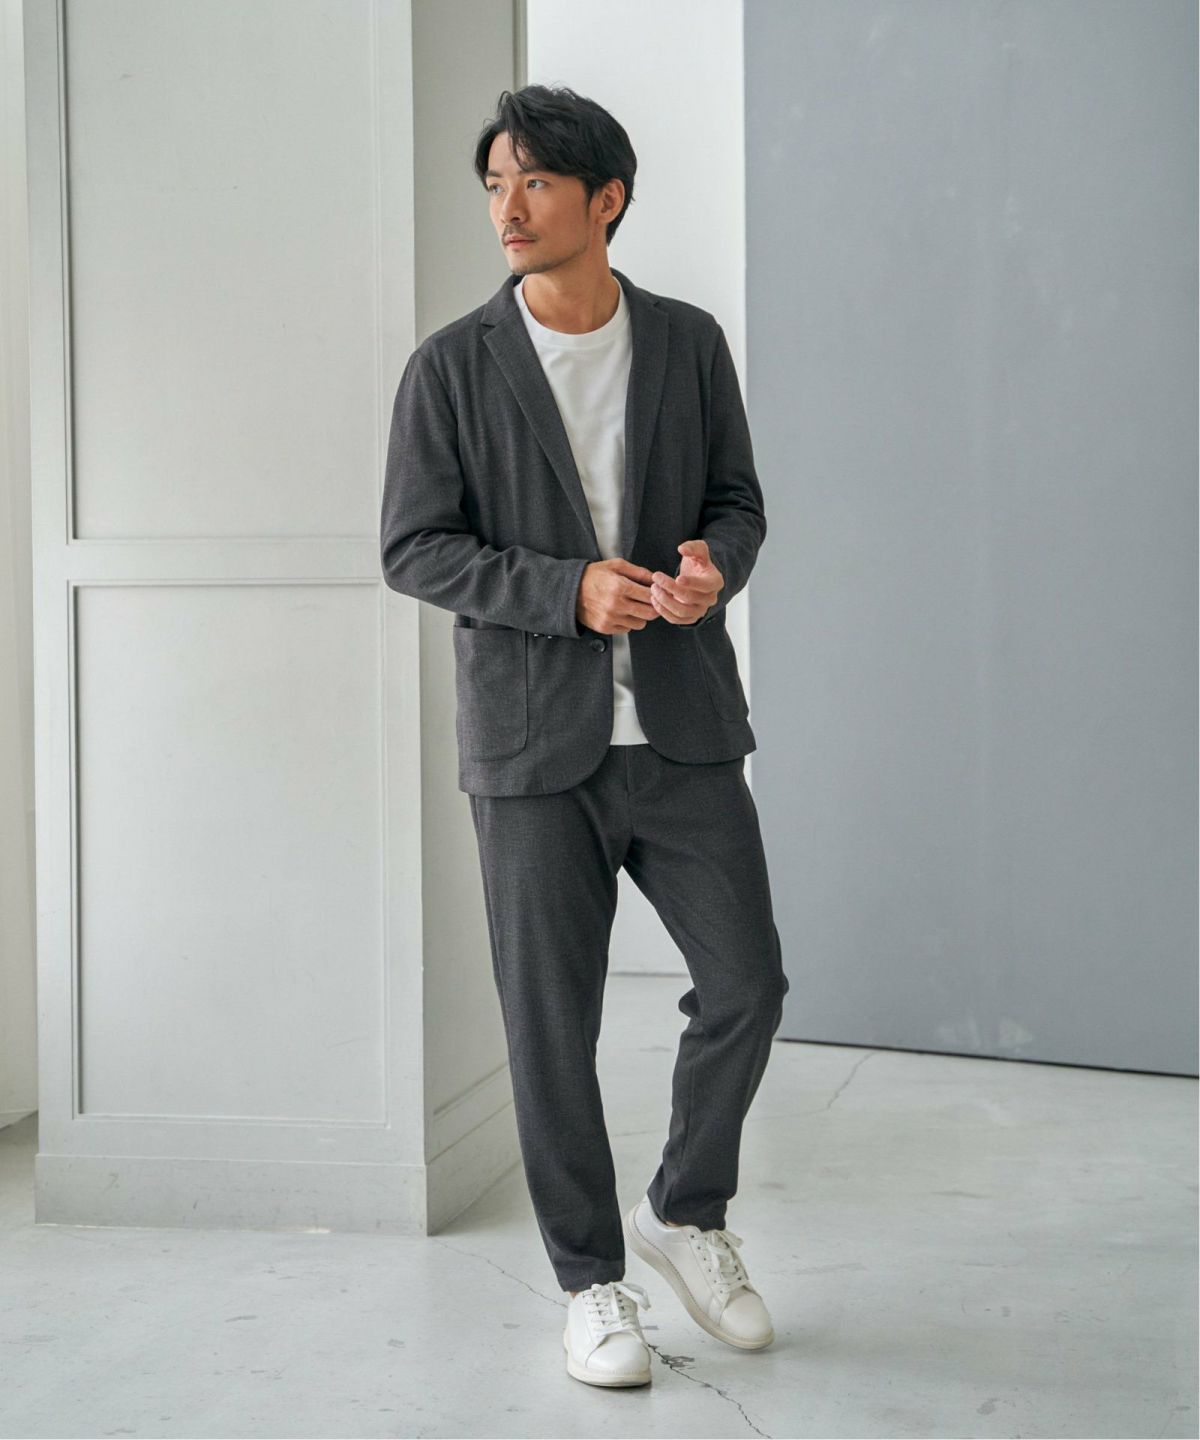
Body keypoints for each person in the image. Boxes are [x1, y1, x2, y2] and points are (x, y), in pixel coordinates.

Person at [380, 83, 789, 1388]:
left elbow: (737, 501)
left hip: (681, 731)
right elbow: (414, 546)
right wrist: (563, 592)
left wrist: (712, 569)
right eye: (495, 183)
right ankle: (589, 1282)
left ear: (606, 199)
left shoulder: (685, 342)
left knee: (748, 985)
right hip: (530, 750)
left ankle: (686, 1210)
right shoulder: (452, 366)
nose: (508, 207)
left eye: (537, 183)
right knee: (551, 1028)